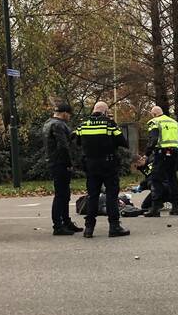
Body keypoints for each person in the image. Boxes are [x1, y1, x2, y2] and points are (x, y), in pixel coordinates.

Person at [74, 101, 129, 238]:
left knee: (92, 196)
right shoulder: (109, 124)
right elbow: (123, 142)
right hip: (108, 164)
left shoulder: (83, 124)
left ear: (93, 110)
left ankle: (89, 228)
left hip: (90, 164)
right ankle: (114, 226)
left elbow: (77, 141)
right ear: (105, 112)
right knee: (111, 195)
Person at [43, 102, 81, 236]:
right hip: (60, 163)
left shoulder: (48, 123)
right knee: (61, 195)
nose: (70, 117)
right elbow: (63, 146)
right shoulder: (59, 125)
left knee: (64, 194)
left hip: (53, 162)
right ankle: (58, 225)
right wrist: (69, 163)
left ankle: (66, 222)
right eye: (69, 114)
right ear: (64, 113)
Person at [143, 105, 178, 217]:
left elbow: (153, 139)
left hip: (161, 153)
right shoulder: (175, 123)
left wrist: (147, 154)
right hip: (174, 152)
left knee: (155, 178)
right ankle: (175, 207)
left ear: (154, 114)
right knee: (172, 178)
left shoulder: (154, 122)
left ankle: (155, 208)